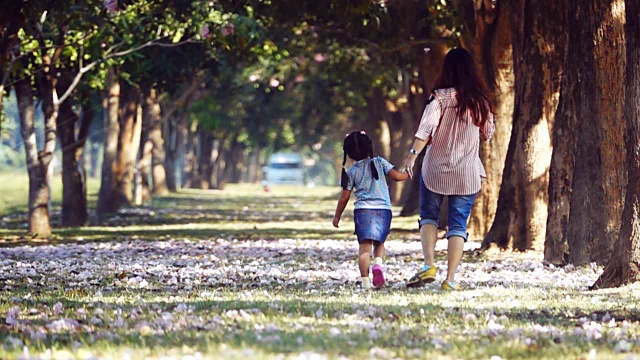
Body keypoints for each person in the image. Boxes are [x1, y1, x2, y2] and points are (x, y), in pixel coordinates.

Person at [402, 48, 495, 291]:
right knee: (458, 225)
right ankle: (450, 279)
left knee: (429, 216)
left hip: (435, 168)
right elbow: (488, 133)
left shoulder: (438, 98)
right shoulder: (481, 103)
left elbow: (425, 130)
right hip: (466, 172)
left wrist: (412, 157)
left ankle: (429, 265)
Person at [333, 131, 409, 289]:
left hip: (363, 212)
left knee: (364, 248)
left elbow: (344, 197)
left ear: (349, 154)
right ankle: (378, 264)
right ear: (369, 147)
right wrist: (408, 172)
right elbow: (397, 176)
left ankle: (366, 283)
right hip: (383, 210)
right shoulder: (379, 162)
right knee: (379, 243)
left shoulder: (352, 171)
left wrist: (337, 217)